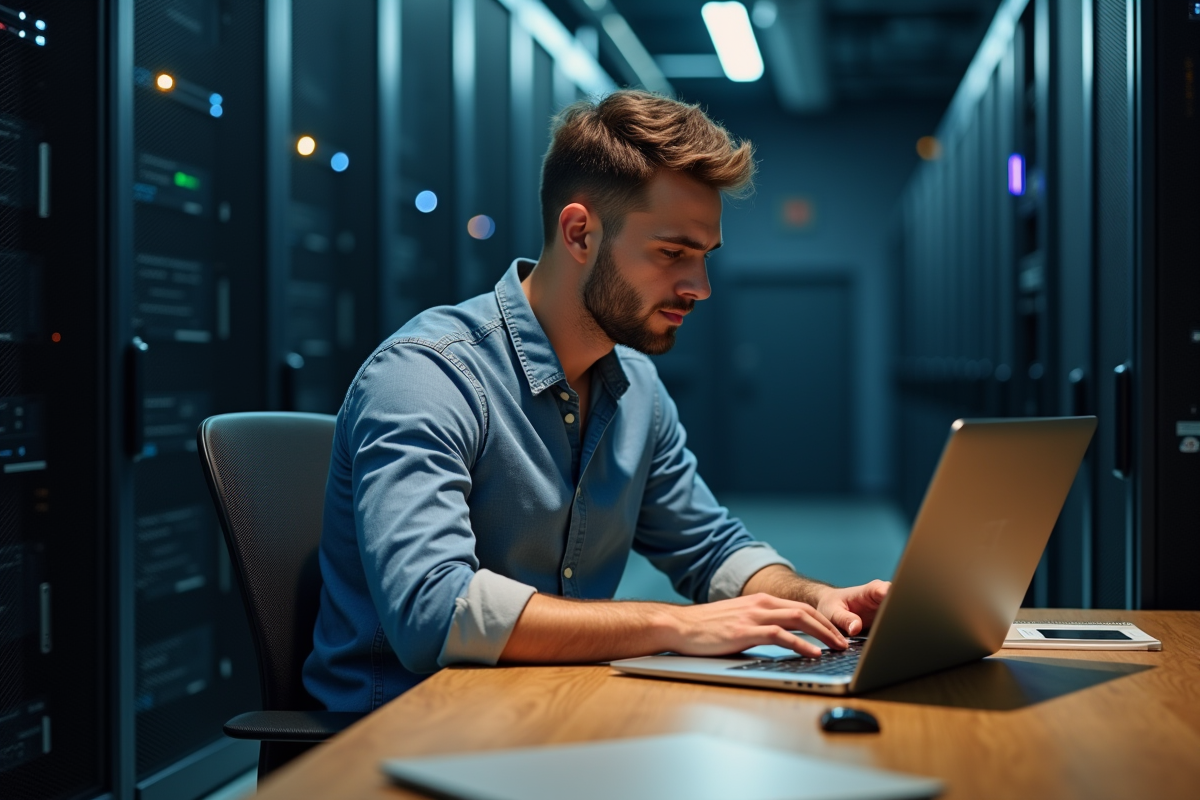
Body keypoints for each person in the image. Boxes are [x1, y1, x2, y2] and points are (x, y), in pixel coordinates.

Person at [303, 90, 890, 712]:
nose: (700, 287)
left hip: (549, 709)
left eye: (704, 257)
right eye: (672, 254)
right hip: (401, 732)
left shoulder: (637, 389)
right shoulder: (428, 376)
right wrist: (679, 626)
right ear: (580, 233)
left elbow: (710, 546)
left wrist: (816, 598)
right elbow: (434, 609)